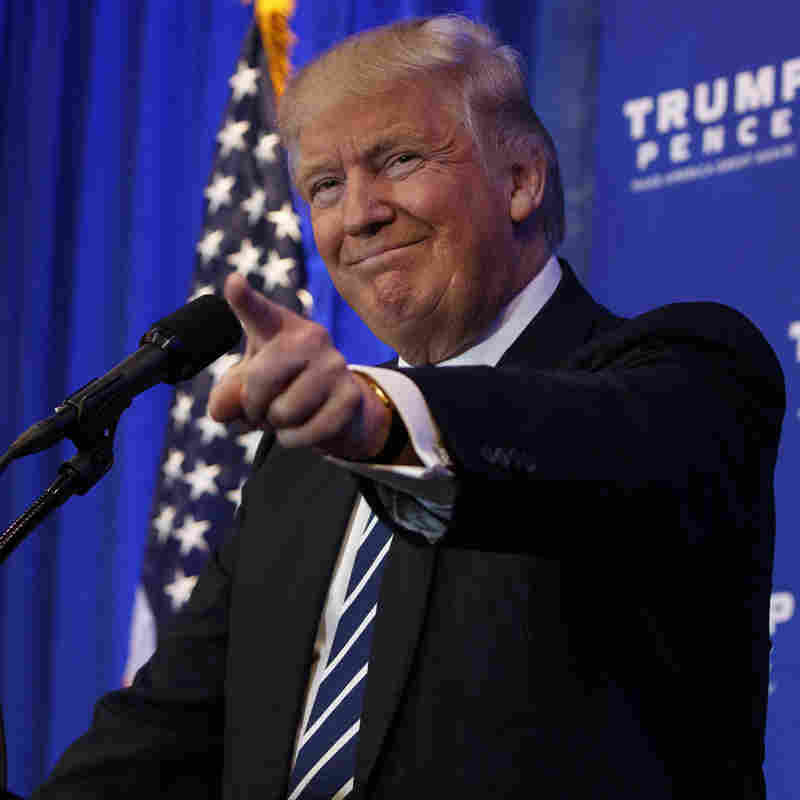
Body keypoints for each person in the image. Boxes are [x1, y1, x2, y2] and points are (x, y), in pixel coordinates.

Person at [34, 15, 784, 800]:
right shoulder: (299, 468)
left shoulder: (693, 369)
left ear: (522, 179)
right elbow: (164, 733)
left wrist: (381, 422)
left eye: (398, 160)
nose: (357, 215)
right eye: (325, 186)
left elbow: (580, 443)